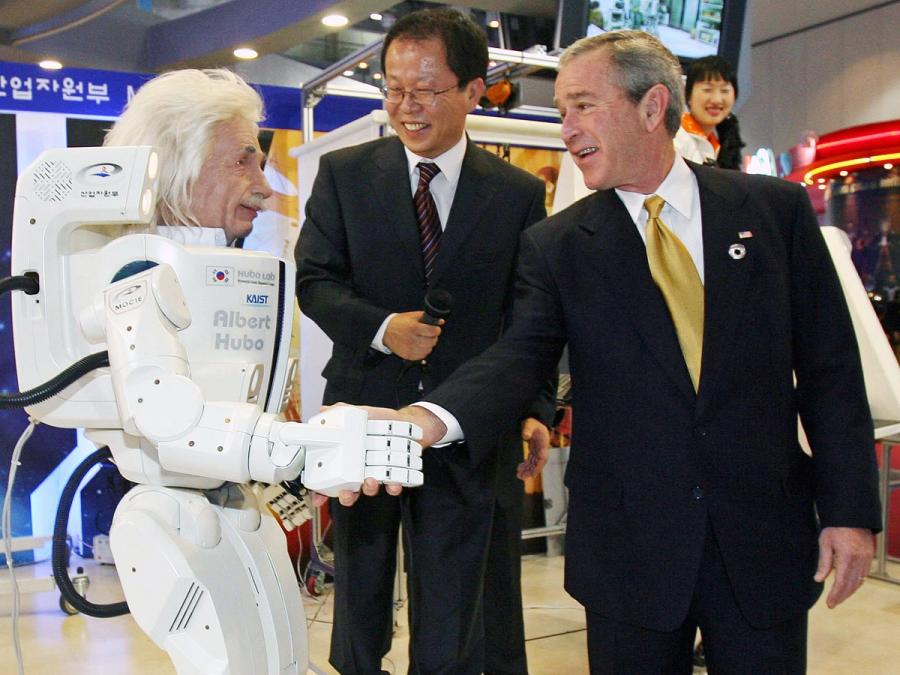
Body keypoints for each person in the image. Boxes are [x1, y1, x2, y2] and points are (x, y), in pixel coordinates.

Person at [352, 30, 882, 673]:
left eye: (582, 105)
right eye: (562, 110)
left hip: (761, 540)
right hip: (630, 553)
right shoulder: (560, 245)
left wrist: (850, 512)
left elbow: (830, 370)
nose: (567, 129)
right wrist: (426, 420)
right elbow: (519, 356)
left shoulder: (774, 212)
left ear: (652, 106)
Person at [294, 8, 553, 675]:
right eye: (394, 87)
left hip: (469, 426)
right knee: (361, 589)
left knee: (460, 602)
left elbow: (531, 318)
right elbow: (316, 281)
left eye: (427, 90)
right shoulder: (346, 174)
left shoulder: (518, 193)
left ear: (475, 89)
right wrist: (383, 329)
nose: (407, 107)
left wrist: (534, 407)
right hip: (367, 413)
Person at [104, 68, 271, 243]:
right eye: (241, 163)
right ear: (169, 172)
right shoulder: (101, 268)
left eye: (259, 166)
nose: (265, 189)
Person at [673, 55, 746, 170]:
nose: (716, 99)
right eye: (707, 90)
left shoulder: (717, 144)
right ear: (688, 96)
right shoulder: (676, 137)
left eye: (724, 90)